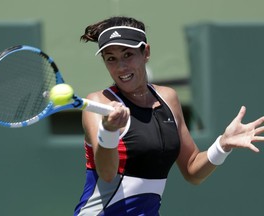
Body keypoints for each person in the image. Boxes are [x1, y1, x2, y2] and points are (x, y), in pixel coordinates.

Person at [74, 16, 264, 216]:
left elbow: (192, 171)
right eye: (110, 58)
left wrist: (222, 145)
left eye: (128, 54)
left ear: (146, 52)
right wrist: (109, 130)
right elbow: (106, 173)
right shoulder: (98, 103)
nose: (121, 67)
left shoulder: (168, 98)